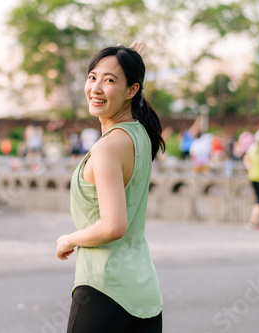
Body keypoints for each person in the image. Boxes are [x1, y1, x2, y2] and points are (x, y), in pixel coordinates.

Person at [56, 41, 164, 333]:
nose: (96, 88)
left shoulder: (107, 148)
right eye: (92, 77)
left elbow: (114, 226)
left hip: (104, 291)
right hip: (144, 295)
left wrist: (70, 239)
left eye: (110, 80)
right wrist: (123, 63)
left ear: (132, 90)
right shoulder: (141, 134)